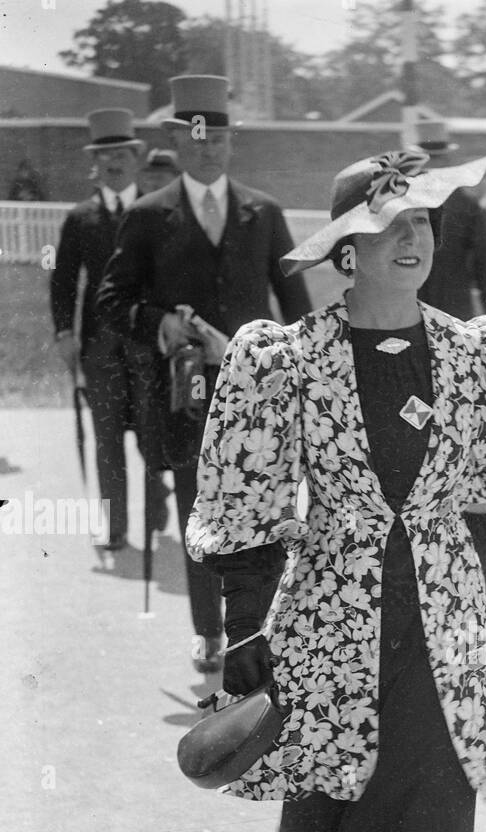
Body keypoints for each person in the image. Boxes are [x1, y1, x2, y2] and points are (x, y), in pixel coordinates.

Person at [185, 148, 486, 832]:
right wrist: (245, 629)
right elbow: (243, 500)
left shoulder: (475, 353)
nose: (417, 236)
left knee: (440, 808)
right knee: (333, 787)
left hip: (442, 615)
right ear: (346, 253)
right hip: (331, 613)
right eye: (392, 225)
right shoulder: (283, 358)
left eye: (425, 219)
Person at [98, 75, 310, 674]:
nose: (207, 147)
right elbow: (112, 302)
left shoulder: (263, 212)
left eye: (216, 136)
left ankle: (256, 631)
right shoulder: (147, 215)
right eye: (194, 137)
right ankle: (206, 631)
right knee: (199, 510)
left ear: (229, 143)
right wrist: (160, 321)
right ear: (175, 140)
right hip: (184, 394)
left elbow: (295, 309)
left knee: (267, 510)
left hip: (259, 397)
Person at [49, 109, 166, 551]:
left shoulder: (155, 212)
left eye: (122, 152)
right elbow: (62, 281)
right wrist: (64, 333)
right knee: (107, 438)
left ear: (137, 158)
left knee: (153, 434)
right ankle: (115, 526)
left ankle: (158, 502)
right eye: (105, 155)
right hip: (99, 347)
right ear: (94, 164)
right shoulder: (80, 218)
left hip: (146, 343)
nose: (114, 162)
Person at [413, 120, 486, 319]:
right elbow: (483, 260)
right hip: (446, 298)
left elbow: (482, 257)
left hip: (420, 294)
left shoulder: (400, 197)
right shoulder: (466, 203)